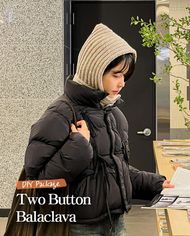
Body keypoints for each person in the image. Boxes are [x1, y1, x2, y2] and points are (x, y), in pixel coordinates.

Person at [24, 23, 173, 236]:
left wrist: (155, 184)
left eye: (125, 76)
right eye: (116, 74)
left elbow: (114, 169)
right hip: (77, 228)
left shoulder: (113, 115)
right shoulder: (60, 114)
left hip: (115, 223)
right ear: (95, 70)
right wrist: (79, 146)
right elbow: (36, 184)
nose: (122, 83)